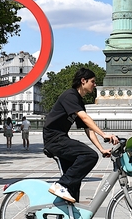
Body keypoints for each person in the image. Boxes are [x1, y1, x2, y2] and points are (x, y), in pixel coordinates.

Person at [42, 68, 118, 203]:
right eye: (92, 81)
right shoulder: (70, 96)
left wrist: (101, 149)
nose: (95, 85)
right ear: (83, 81)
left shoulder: (78, 100)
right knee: (89, 155)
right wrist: (104, 134)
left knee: (74, 182)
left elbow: (87, 128)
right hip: (54, 139)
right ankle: (61, 185)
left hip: (60, 138)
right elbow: (85, 118)